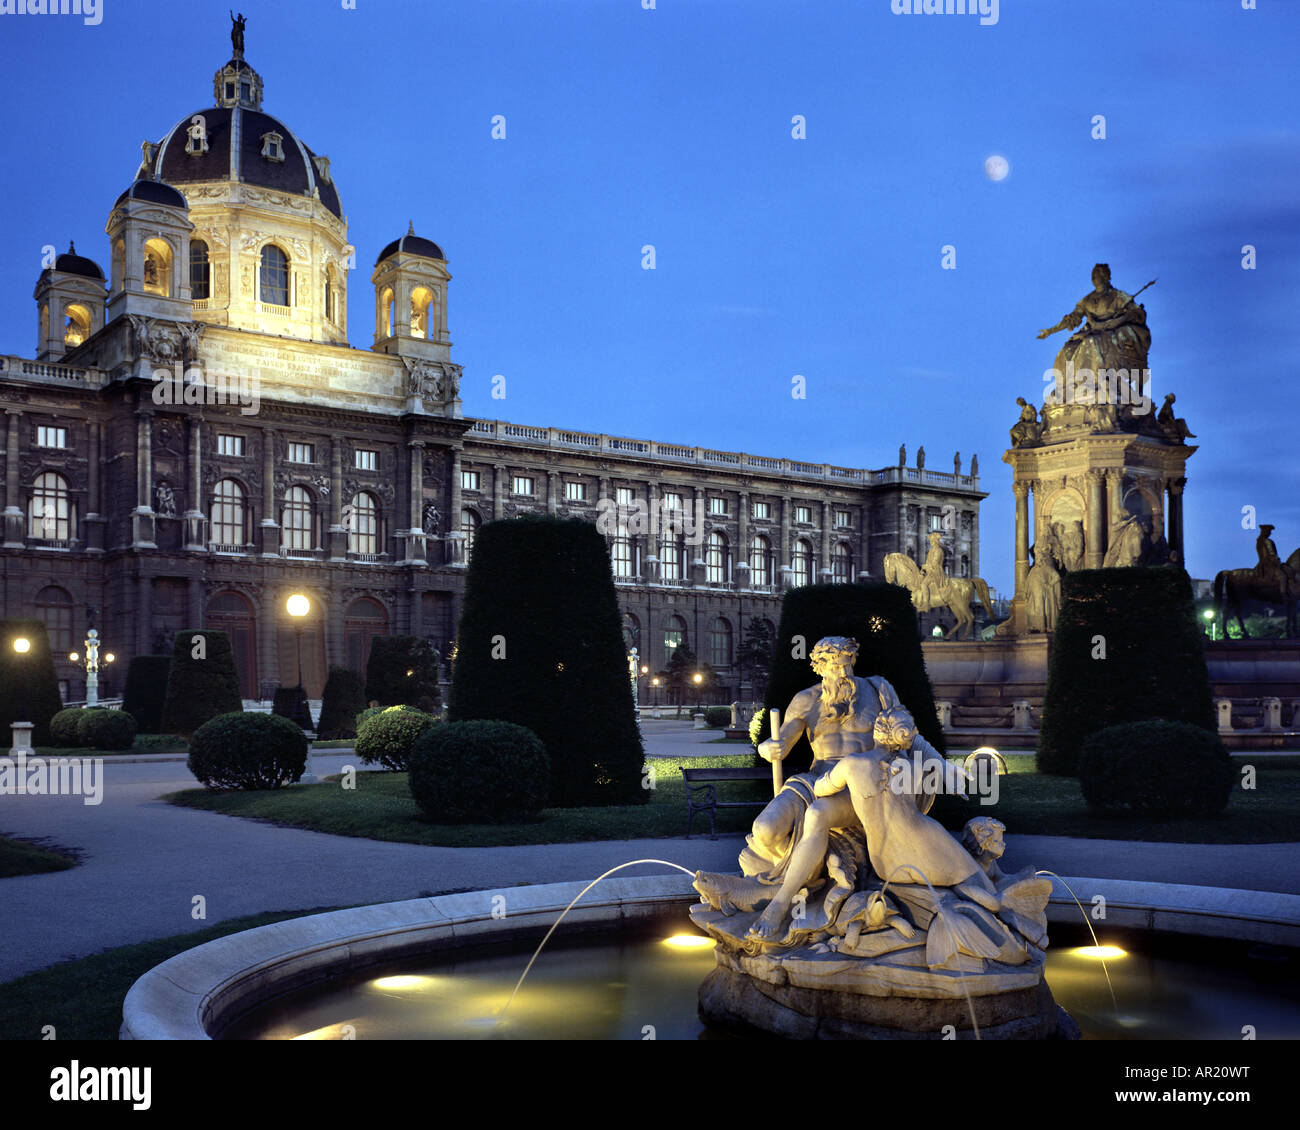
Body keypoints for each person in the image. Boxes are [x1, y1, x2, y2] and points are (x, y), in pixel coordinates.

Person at [745, 637, 949, 939]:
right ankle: (803, 872)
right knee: (764, 829)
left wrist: (940, 766)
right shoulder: (805, 700)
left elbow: (910, 735)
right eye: (834, 667)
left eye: (847, 665)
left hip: (863, 782)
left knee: (819, 813)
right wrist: (767, 748)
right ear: (819, 667)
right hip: (816, 780)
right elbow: (783, 742)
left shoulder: (878, 690)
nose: (842, 674)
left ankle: (779, 904)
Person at [1038, 263, 1151, 377]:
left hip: (1110, 332)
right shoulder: (1087, 300)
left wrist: (1120, 320)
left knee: (1090, 343)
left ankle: (1095, 380)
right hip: (1091, 330)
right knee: (1067, 350)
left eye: (1096, 274)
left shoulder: (1118, 296)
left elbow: (1136, 313)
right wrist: (1050, 331)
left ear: (1105, 276)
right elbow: (1071, 318)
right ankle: (1068, 386)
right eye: (1092, 274)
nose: (1093, 277)